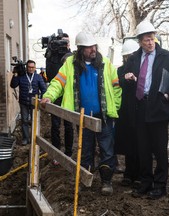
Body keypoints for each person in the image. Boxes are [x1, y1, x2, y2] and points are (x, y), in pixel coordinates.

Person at [41, 31, 122, 196]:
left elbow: (116, 86)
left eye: (94, 46)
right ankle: (86, 179)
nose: (93, 49)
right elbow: (58, 82)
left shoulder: (105, 63)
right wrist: (49, 96)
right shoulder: (70, 64)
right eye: (88, 47)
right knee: (85, 149)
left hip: (104, 116)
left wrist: (115, 107)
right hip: (83, 117)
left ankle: (106, 181)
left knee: (107, 149)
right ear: (80, 49)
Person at [123, 21, 169, 199]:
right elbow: (123, 76)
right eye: (146, 40)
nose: (150, 43)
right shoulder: (134, 58)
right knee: (143, 148)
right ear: (140, 41)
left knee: (159, 149)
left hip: (158, 106)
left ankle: (160, 184)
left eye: (152, 39)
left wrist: (168, 95)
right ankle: (145, 182)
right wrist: (127, 77)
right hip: (140, 107)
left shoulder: (166, 56)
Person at [45, 33, 74, 165]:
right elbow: (50, 76)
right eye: (62, 42)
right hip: (56, 95)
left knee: (69, 125)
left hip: (69, 96)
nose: (64, 44)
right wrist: (51, 53)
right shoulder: (52, 56)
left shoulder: (73, 57)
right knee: (55, 125)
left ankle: (69, 152)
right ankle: (56, 152)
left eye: (66, 42)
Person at [114, 39, 140, 187]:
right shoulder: (119, 71)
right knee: (129, 143)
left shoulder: (142, 69)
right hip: (124, 111)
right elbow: (116, 84)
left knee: (139, 143)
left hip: (138, 110)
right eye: (127, 56)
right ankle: (129, 173)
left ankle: (139, 174)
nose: (129, 59)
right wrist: (124, 78)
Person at [10, 60, 47, 145]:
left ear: (35, 68)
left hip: (34, 103)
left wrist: (42, 99)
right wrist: (15, 74)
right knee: (24, 120)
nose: (31, 69)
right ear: (26, 67)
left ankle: (34, 138)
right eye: (29, 67)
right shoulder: (21, 76)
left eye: (32, 67)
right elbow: (13, 85)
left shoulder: (38, 77)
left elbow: (44, 89)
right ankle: (26, 139)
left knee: (34, 121)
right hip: (23, 102)